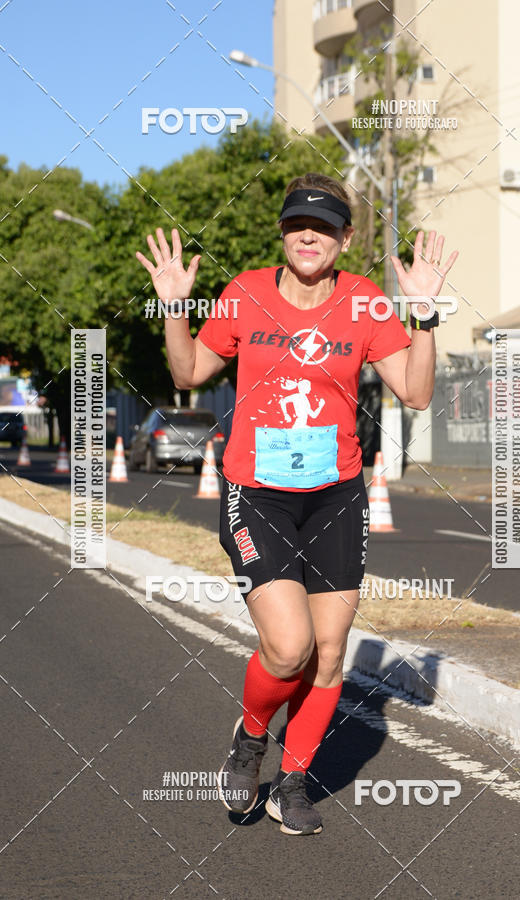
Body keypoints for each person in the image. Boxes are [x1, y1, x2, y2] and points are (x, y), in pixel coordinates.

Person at [136, 172, 458, 836]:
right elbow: (189, 374)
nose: (307, 234)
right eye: (295, 224)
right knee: (288, 648)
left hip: (336, 496)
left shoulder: (367, 303)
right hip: (259, 495)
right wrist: (174, 309)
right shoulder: (244, 295)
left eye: (324, 225)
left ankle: (291, 782)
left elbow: (417, 394)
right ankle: (251, 736)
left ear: (344, 238)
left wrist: (424, 315)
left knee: (331, 652)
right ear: (284, 234)